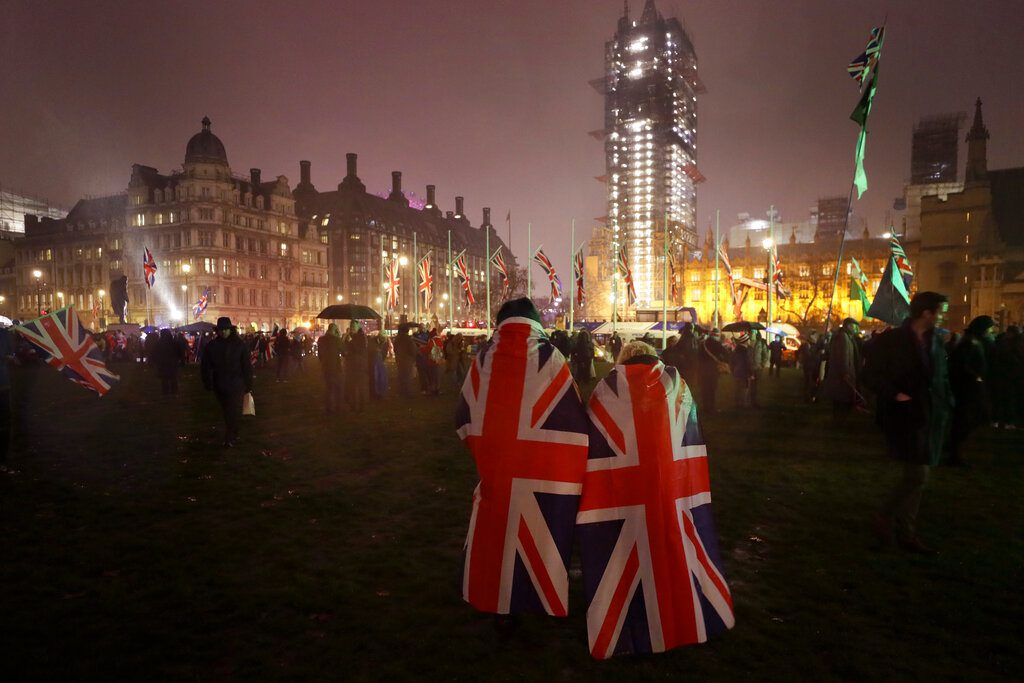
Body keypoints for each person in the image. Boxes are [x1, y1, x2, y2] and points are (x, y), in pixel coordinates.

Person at [577, 339, 734, 657]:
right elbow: (690, 433)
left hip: (626, 496)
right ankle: (681, 614)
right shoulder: (678, 385)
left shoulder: (606, 390)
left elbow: (592, 443)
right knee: (673, 551)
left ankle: (631, 619)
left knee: (625, 559)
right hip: (672, 491)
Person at [454, 298, 588, 622]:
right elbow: (574, 422)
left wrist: (488, 451)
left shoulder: (483, 359)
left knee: (496, 529)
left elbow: (463, 417)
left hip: (497, 469)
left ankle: (493, 593)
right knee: (539, 537)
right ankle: (535, 595)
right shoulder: (552, 358)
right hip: (539, 474)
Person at [866, 292, 952, 554]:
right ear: (927, 313)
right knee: (918, 474)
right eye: (939, 311)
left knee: (918, 475)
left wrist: (947, 400)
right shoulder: (892, 340)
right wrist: (895, 394)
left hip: (929, 414)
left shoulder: (934, 340)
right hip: (903, 415)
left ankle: (906, 533)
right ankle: (885, 516)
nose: (942, 316)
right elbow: (869, 375)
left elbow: (939, 376)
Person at [948, 315, 995, 465]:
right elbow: (962, 364)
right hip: (967, 388)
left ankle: (957, 449)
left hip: (970, 387)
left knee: (970, 419)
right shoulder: (969, 343)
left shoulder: (973, 342)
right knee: (965, 420)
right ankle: (955, 452)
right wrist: (976, 377)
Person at [200, 317, 254, 447]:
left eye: (226, 329)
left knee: (232, 410)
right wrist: (208, 382)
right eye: (221, 330)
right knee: (227, 410)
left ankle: (230, 436)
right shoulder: (212, 346)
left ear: (230, 329)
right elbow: (205, 366)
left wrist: (248, 384)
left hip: (236, 383)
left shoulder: (240, 345)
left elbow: (246, 365)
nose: (223, 332)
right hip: (220, 383)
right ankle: (232, 433)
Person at [822, 317, 862, 420]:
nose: (855, 329)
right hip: (842, 376)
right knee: (841, 398)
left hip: (845, 374)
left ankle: (840, 418)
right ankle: (839, 419)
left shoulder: (847, 337)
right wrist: (845, 372)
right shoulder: (843, 338)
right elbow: (843, 356)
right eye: (854, 326)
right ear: (848, 326)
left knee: (843, 398)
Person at [698, 328, 730, 414]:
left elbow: (698, 356)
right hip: (713, 370)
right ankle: (711, 408)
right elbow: (726, 354)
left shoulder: (703, 343)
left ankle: (705, 407)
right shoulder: (717, 344)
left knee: (705, 389)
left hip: (703, 369)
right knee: (712, 389)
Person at [317, 323, 344, 415]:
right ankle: (338, 407)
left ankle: (328, 408)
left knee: (328, 388)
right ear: (335, 330)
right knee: (338, 388)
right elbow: (343, 350)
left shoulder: (321, 339)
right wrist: (340, 337)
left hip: (326, 366)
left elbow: (320, 354)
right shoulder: (336, 340)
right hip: (336, 367)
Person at [343, 321, 369, 412]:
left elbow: (360, 350)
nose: (352, 327)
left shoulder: (362, 336)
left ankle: (362, 406)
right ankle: (353, 405)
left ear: (358, 327)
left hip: (359, 365)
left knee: (360, 386)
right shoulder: (349, 336)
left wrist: (351, 341)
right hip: (350, 364)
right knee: (351, 386)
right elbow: (345, 349)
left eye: (354, 326)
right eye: (351, 325)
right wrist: (345, 341)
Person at [153, 328, 184, 395]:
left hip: (163, 364)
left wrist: (154, 362)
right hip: (172, 363)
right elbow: (180, 353)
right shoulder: (174, 342)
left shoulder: (158, 343)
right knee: (173, 378)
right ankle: (174, 392)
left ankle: (166, 392)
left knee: (165, 379)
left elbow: (155, 353)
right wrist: (182, 361)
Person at [729, 332, 755, 408]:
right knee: (745, 388)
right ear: (746, 341)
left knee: (737, 388)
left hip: (736, 372)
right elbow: (748, 363)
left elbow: (731, 362)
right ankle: (743, 404)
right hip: (744, 373)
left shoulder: (736, 350)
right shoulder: (745, 351)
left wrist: (733, 370)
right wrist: (751, 373)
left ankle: (737, 403)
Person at [394, 326, 418, 398]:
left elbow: (395, 349)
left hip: (400, 359)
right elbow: (413, 350)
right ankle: (408, 392)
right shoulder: (409, 339)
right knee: (408, 376)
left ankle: (401, 391)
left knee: (401, 375)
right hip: (408, 360)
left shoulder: (397, 339)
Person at [798, 331, 821, 402]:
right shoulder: (806, 345)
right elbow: (808, 355)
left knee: (814, 382)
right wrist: (818, 355)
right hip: (809, 366)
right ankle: (807, 396)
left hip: (815, 366)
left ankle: (813, 396)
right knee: (808, 381)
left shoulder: (816, 345)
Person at [750, 332, 769, 407]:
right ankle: (750, 400)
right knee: (751, 385)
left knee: (756, 385)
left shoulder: (761, 345)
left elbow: (765, 355)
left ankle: (755, 401)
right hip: (751, 368)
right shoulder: (750, 343)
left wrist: (762, 364)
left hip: (758, 368)